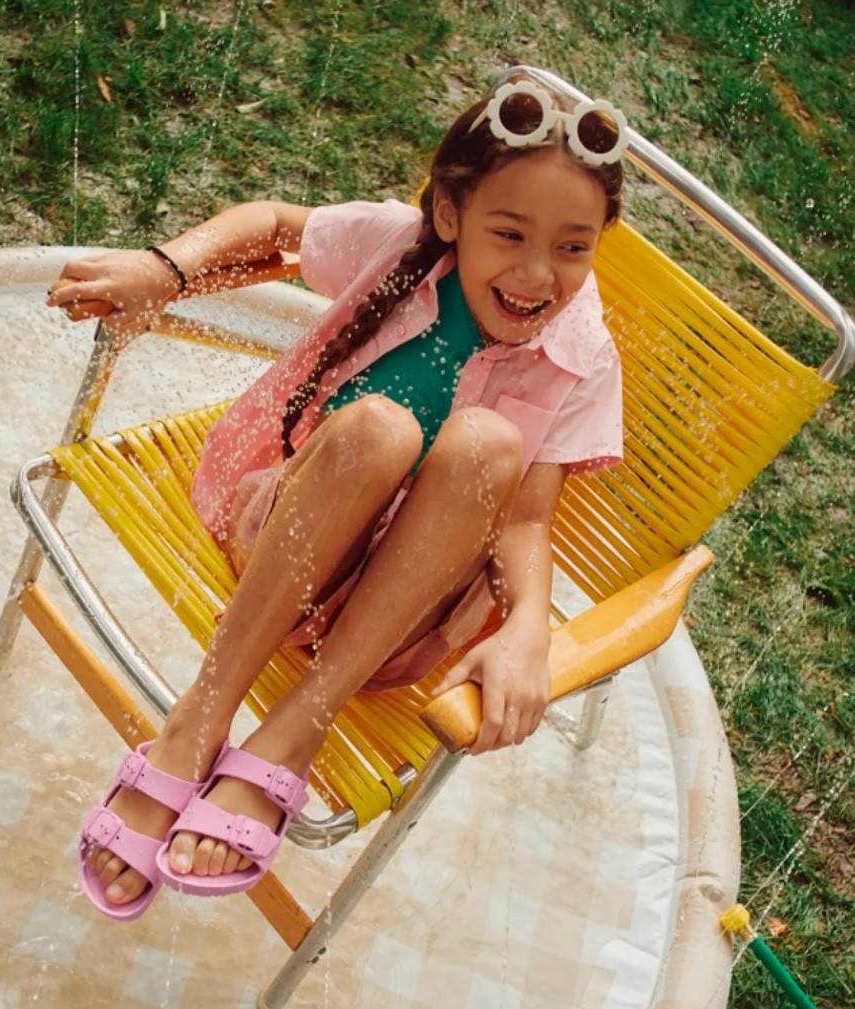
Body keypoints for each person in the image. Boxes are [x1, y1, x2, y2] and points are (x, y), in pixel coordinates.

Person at [47, 66, 627, 919]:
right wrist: (166, 271)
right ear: (449, 214)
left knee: (488, 442)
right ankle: (197, 720)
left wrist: (526, 631)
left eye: (573, 247)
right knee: (379, 428)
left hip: (397, 616)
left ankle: (296, 725)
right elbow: (276, 228)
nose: (538, 273)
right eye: (508, 233)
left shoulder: (581, 355)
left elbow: (528, 519)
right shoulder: (399, 244)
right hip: (283, 532)